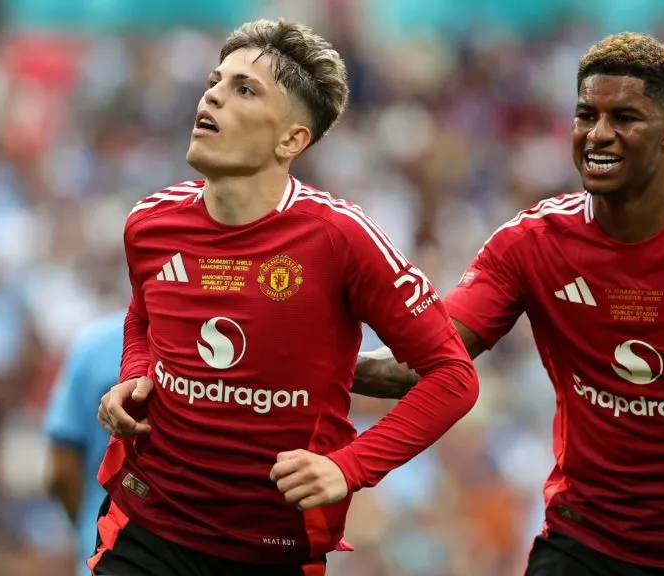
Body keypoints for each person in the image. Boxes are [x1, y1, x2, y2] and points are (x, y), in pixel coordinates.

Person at [353, 32, 664, 576]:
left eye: (625, 118)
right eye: (586, 115)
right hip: (582, 540)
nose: (599, 134)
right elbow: (425, 360)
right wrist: (310, 358)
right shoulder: (530, 244)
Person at [92, 18, 479, 576]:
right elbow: (143, 318)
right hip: (147, 527)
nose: (213, 96)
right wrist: (134, 374)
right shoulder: (150, 222)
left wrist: (349, 467)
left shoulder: (341, 237)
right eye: (215, 82)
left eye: (244, 90)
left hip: (270, 547)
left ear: (291, 140)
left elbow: (453, 376)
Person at [43, 313, 125, 576]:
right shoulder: (213, 343)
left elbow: (61, 471)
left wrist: (87, 529)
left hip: (105, 546)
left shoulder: (95, 344)